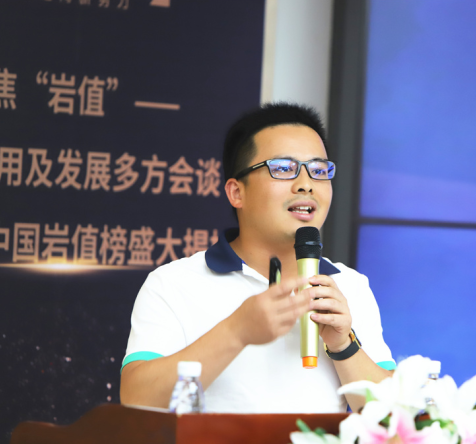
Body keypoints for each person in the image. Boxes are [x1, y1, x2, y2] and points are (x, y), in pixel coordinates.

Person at [120, 103, 395, 413]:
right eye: (284, 168)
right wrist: (237, 331)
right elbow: (136, 397)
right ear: (237, 192)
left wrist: (343, 345)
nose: (306, 184)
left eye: (319, 171)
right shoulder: (173, 284)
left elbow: (396, 417)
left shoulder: (350, 286)